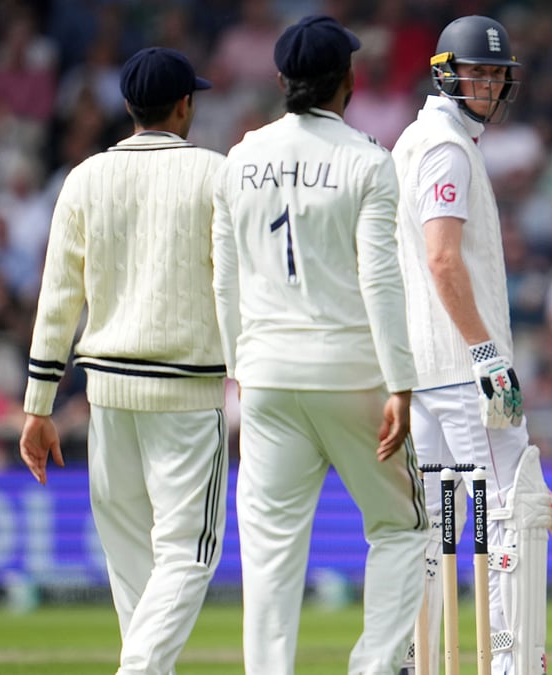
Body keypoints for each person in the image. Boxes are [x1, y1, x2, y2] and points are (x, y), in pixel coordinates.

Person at [211, 16, 426, 675]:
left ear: (282, 80)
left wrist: (238, 369)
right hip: (352, 373)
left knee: (269, 552)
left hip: (267, 377)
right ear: (348, 80)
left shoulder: (240, 157)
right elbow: (381, 278)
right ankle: (373, 666)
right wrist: (401, 383)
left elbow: (224, 277)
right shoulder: (367, 160)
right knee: (402, 527)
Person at [18, 47, 228, 675]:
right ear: (184, 104)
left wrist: (37, 406)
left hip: (107, 394)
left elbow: (58, 298)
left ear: (129, 106)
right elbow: (235, 285)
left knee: (133, 561)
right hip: (186, 392)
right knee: (189, 553)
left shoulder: (84, 177)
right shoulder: (215, 174)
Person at [392, 15, 551, 675]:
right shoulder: (446, 148)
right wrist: (486, 354)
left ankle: (413, 659)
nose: (485, 85)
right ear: (445, 75)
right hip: (464, 373)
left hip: (425, 370)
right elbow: (441, 258)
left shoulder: (415, 139)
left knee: (432, 526)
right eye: (474, 73)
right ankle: (513, 663)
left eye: (494, 74)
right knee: (512, 513)